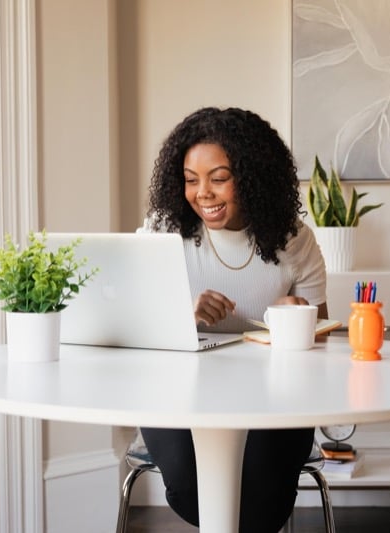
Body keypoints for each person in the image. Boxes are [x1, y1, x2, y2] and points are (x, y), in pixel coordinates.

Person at [137, 106, 328, 532]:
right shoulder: (162, 231)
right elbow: (134, 330)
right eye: (191, 180)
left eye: (219, 178)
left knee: (265, 497)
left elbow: (327, 344)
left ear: (253, 176)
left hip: (274, 396)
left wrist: (295, 320)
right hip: (174, 393)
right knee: (190, 487)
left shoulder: (294, 240)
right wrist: (184, 315)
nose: (203, 193)